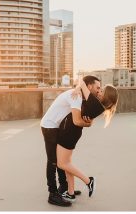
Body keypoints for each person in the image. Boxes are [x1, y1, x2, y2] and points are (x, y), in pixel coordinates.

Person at [38, 76, 102, 207]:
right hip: (49, 126)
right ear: (89, 87)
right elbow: (77, 121)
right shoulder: (77, 96)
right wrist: (89, 124)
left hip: (56, 126)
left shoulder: (82, 95)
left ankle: (63, 188)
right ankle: (53, 194)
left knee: (61, 160)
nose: (98, 91)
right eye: (97, 87)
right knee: (53, 161)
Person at [56, 77, 118, 202]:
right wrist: (79, 88)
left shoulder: (95, 103)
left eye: (102, 90)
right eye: (99, 89)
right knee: (66, 163)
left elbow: (82, 81)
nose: (99, 91)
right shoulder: (98, 105)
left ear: (105, 96)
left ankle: (88, 181)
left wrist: (79, 87)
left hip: (69, 132)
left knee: (62, 163)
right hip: (73, 132)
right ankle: (70, 193)